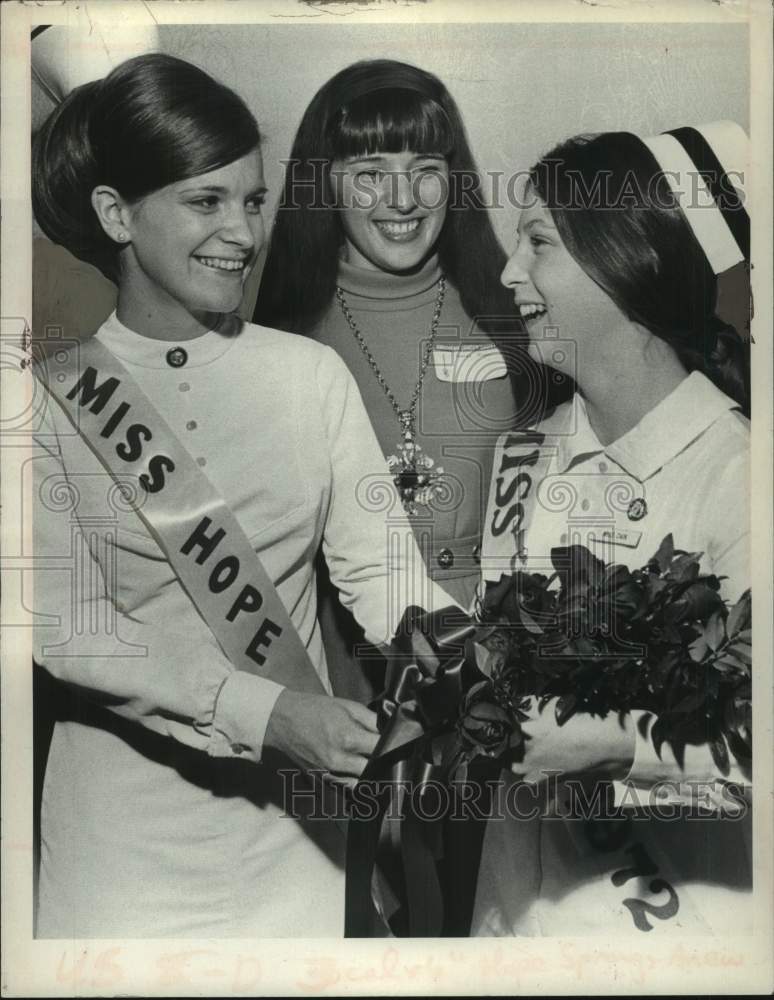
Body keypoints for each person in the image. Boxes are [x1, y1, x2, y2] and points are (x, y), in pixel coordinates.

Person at [31, 52, 456, 938]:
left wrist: (484, 667)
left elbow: (389, 582)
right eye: (206, 201)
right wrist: (266, 712)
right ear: (117, 214)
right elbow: (67, 631)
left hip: (292, 840)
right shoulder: (39, 400)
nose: (243, 232)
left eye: (254, 201)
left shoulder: (310, 375)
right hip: (120, 845)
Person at [473, 123, 752, 936]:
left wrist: (618, 745)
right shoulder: (522, 454)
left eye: (538, 244)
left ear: (631, 263)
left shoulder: (738, 476)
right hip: (516, 919)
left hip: (677, 938)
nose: (507, 272)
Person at [255, 59, 567, 701]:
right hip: (347, 679)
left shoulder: (517, 316)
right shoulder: (275, 344)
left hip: (513, 680)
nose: (403, 200)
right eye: (370, 174)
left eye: (426, 170)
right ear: (326, 184)